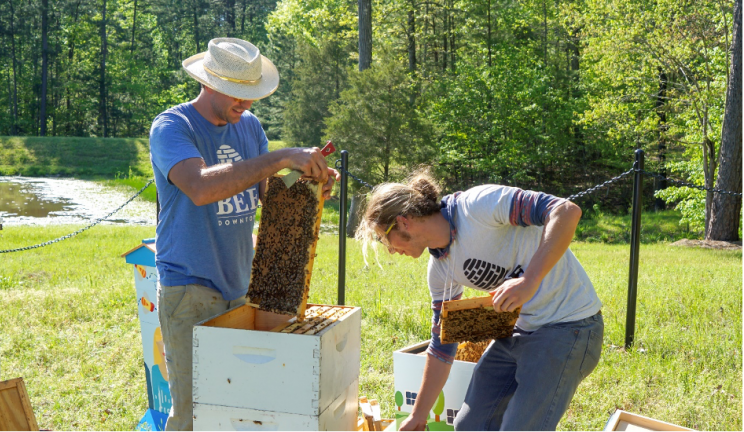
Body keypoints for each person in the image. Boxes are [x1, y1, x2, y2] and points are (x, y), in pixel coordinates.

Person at [149, 38, 337, 431]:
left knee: (237, 405)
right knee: (193, 411)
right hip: (190, 288)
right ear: (209, 81)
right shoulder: (172, 126)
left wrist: (307, 184)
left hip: (240, 285)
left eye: (250, 95)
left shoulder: (249, 126)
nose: (246, 104)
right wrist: (281, 156)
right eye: (237, 95)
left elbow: (270, 195)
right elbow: (200, 187)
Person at [357, 168, 602, 432]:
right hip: (518, 331)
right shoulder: (440, 270)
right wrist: (418, 415)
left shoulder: (478, 206)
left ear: (404, 221)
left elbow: (566, 211)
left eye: (386, 238)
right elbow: (442, 346)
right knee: (470, 425)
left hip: (570, 326)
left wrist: (530, 279)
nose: (391, 250)